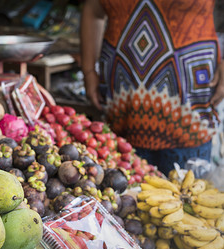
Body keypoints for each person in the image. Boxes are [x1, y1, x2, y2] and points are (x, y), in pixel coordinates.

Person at [80, 0, 224, 176]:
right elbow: (93, 8)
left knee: (187, 198)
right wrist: (88, 70)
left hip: (187, 117)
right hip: (121, 112)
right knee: (120, 196)